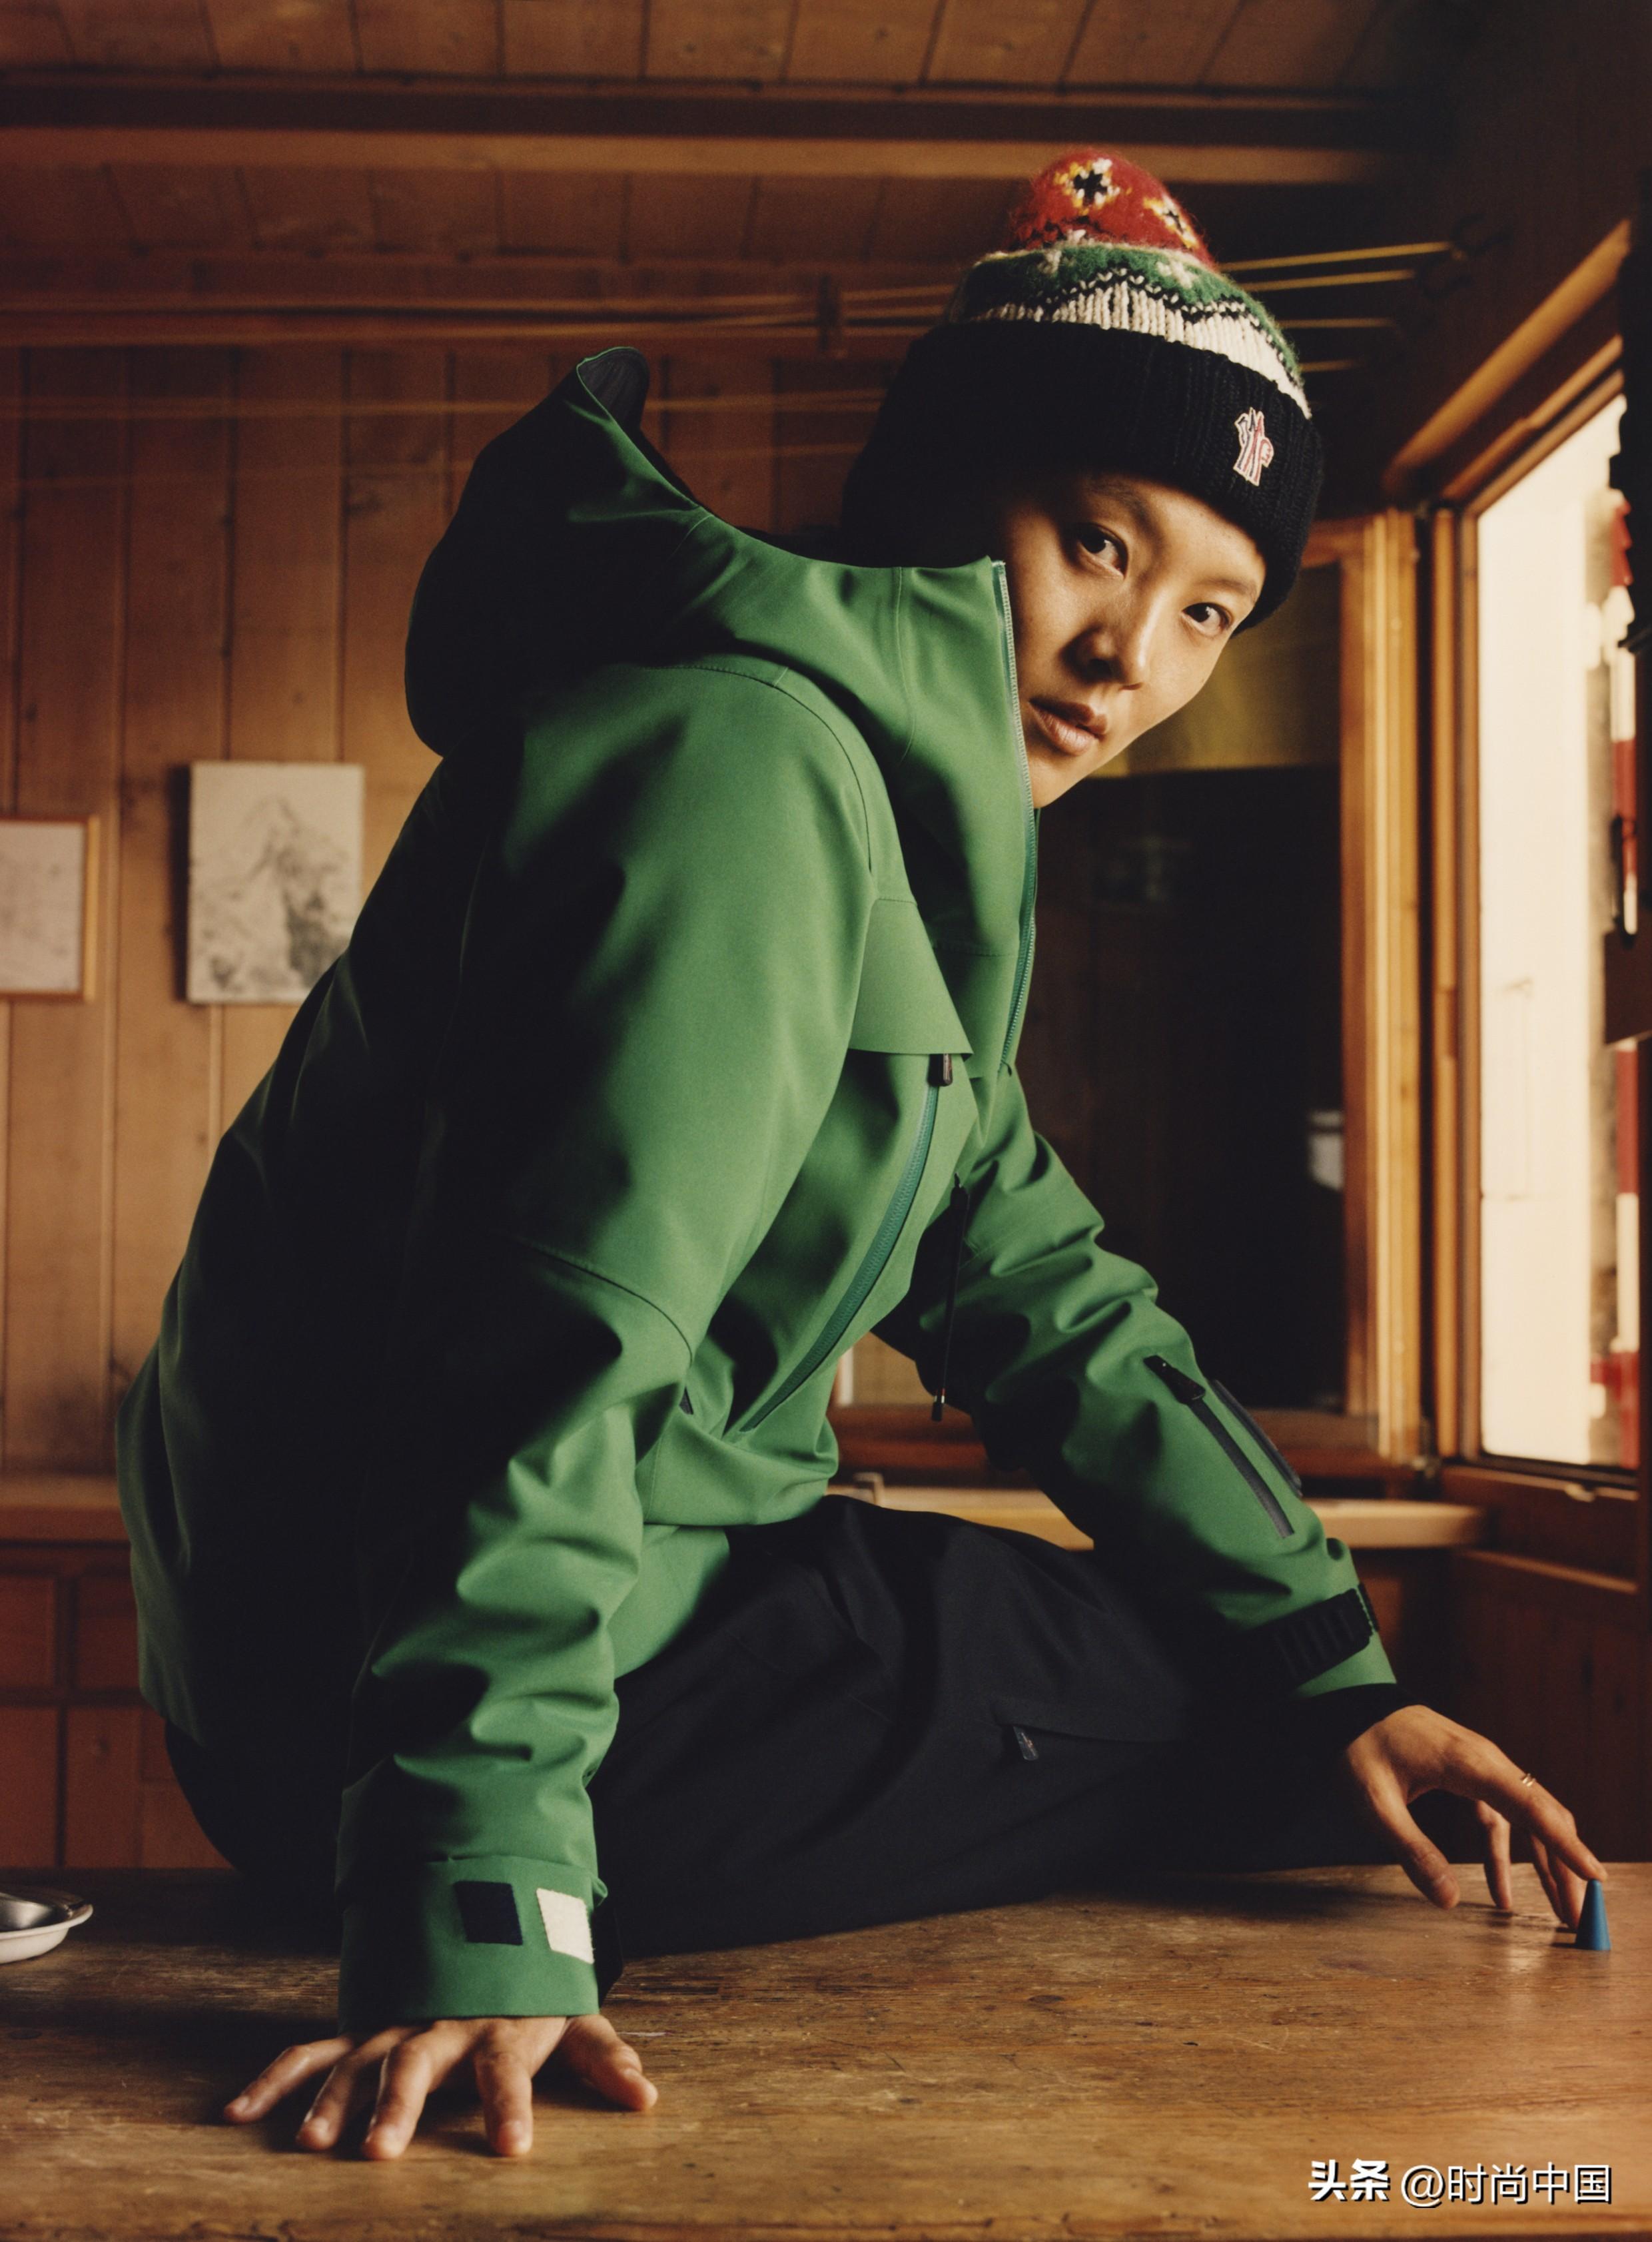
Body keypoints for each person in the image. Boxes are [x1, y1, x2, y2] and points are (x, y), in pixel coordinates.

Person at [117, 150, 1608, 2163]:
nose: (1131, 659)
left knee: (1286, 1706)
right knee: (1246, 1744)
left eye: (1208, 612)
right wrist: (475, 1896)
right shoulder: (740, 770)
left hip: (516, 1651)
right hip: (411, 1715)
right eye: (1096, 542)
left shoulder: (877, 821)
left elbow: (1047, 1296)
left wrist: (1340, 1665)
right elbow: (544, 1346)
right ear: (932, 482)